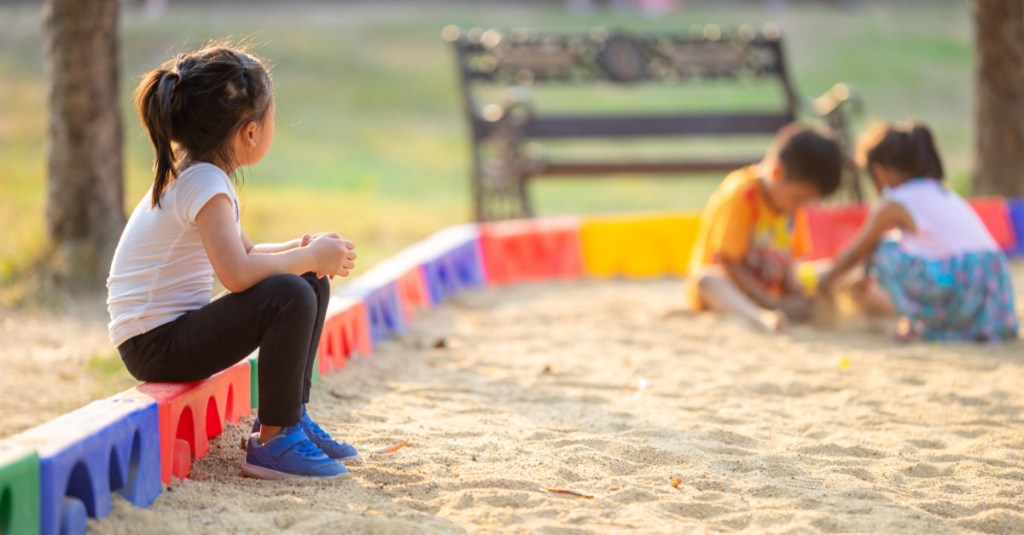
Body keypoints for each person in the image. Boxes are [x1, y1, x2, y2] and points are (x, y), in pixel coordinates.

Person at [107, 44, 359, 479]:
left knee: (309, 279)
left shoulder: (199, 174)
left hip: (165, 336)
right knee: (290, 293)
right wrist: (304, 257)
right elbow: (237, 275)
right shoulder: (204, 181)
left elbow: (247, 253)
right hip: (154, 346)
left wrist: (303, 251)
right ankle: (276, 442)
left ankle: (289, 418)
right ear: (249, 133)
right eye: (272, 119)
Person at [819, 121, 1018, 342]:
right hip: (994, 289)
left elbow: (856, 251)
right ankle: (950, 327)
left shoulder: (894, 202)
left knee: (882, 250)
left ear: (879, 173)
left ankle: (919, 324)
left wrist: (825, 280)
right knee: (891, 246)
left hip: (962, 286)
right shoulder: (943, 193)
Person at [687, 124, 843, 331]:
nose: (801, 206)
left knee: (833, 272)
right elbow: (728, 262)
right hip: (731, 289)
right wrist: (769, 303)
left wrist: (796, 293)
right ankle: (760, 318)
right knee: (707, 280)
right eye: (798, 198)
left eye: (807, 202)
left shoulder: (791, 206)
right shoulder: (742, 194)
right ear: (777, 172)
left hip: (770, 289)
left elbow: (790, 260)